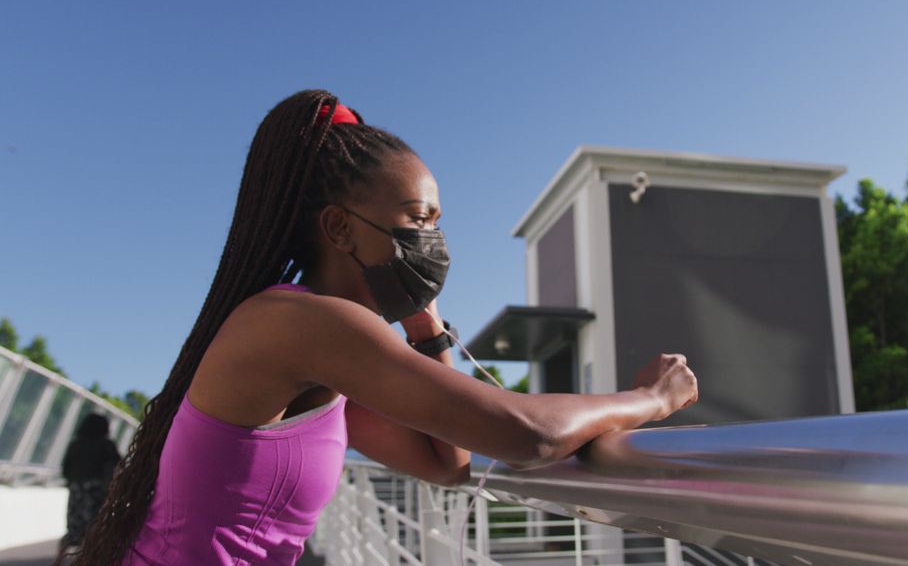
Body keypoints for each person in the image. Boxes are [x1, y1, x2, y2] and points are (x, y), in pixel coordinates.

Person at [67, 90, 697, 566]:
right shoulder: (303, 323)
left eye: (437, 221)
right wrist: (649, 399)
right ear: (340, 229)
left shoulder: (319, 348)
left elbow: (444, 461)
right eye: (418, 218)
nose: (434, 240)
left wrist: (427, 333)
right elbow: (524, 434)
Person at [57, 413, 120, 560]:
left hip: (77, 491)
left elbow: (65, 469)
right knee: (95, 530)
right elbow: (119, 465)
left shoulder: (76, 444)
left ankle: (59, 560)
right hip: (98, 492)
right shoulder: (107, 445)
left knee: (73, 531)